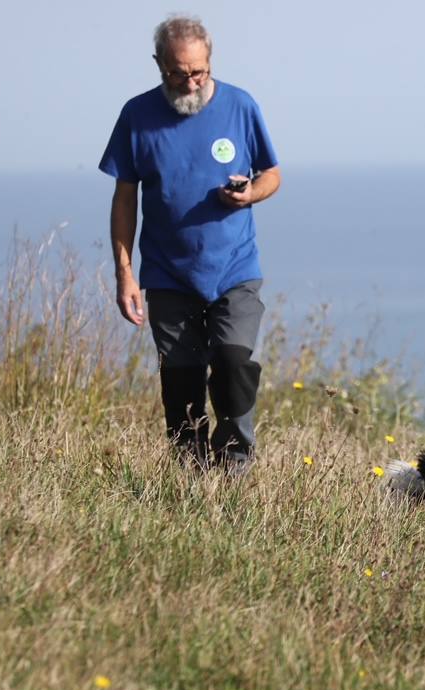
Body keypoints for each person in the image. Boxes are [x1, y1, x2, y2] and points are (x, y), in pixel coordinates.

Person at [100, 14, 281, 472]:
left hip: (235, 268)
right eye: (179, 73)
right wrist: (125, 274)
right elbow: (124, 200)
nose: (191, 81)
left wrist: (248, 194)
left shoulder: (241, 106)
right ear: (159, 64)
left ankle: (235, 464)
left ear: (210, 62)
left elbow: (272, 175)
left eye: (199, 71)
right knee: (181, 382)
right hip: (167, 273)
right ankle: (190, 472)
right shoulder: (136, 116)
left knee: (233, 362)